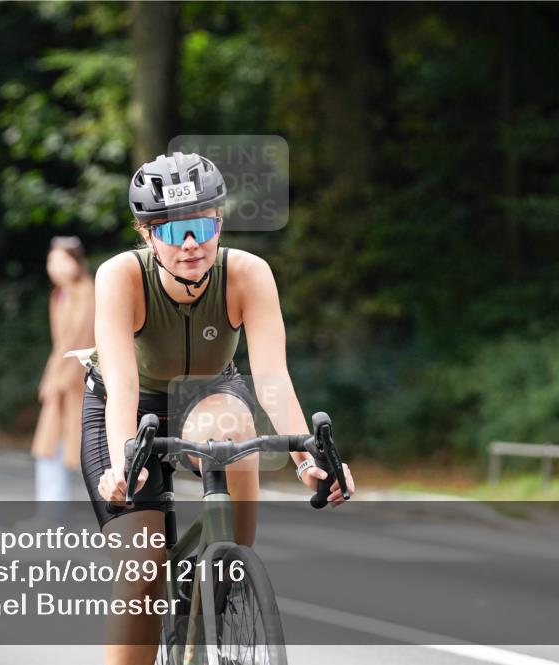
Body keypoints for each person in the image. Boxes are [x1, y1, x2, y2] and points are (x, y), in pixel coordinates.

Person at [82, 152, 355, 665]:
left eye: (202, 225)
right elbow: (120, 382)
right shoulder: (119, 277)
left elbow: (272, 377)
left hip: (206, 395)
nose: (190, 243)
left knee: (230, 434)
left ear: (220, 222)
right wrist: (122, 465)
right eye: (173, 230)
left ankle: (218, 579)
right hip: (125, 405)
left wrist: (308, 460)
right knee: (142, 575)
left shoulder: (247, 273)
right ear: (146, 234)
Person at [30, 236, 95, 520]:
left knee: (90, 453)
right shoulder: (60, 294)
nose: (53, 266)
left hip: (80, 383)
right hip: (61, 382)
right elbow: (61, 345)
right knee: (51, 450)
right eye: (50, 260)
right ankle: (49, 516)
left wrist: (58, 380)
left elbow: (82, 339)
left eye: (60, 259)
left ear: (76, 262)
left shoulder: (86, 293)